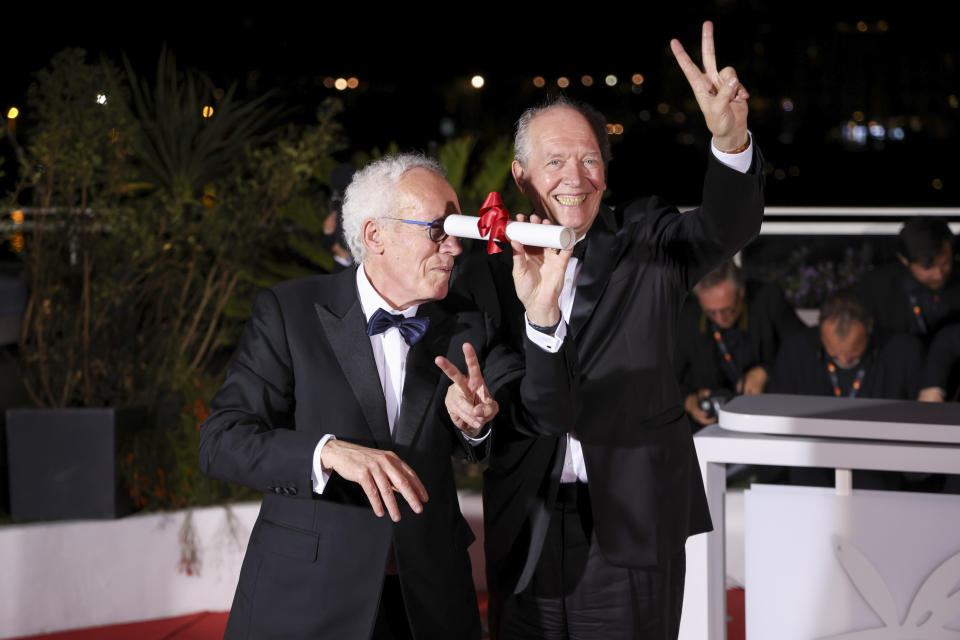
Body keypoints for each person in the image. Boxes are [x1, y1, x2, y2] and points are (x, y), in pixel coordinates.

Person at [452, 21, 764, 639]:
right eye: (556, 161)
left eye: (590, 158)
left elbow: (724, 227)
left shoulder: (647, 241)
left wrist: (730, 142)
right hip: (528, 525)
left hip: (634, 521)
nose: (576, 176)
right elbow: (492, 393)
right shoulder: (487, 272)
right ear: (521, 176)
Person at [198, 154, 571, 639]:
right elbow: (221, 441)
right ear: (375, 236)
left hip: (430, 598)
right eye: (437, 230)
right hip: (309, 594)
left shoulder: (467, 320)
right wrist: (327, 452)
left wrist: (476, 424)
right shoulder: (290, 311)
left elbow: (534, 413)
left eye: (456, 229)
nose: (454, 247)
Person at [675, 260, 805, 429]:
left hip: (770, 417)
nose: (720, 318)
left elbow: (804, 350)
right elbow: (667, 377)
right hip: (713, 427)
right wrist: (688, 401)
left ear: (741, 292)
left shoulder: (768, 299)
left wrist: (767, 371)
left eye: (727, 310)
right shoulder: (688, 316)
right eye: (711, 313)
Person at [769, 292, 923, 400]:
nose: (844, 360)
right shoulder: (796, 351)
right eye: (834, 353)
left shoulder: (903, 352)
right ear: (820, 331)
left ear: (869, 326)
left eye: (854, 351)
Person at [854, 216, 960, 344]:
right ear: (904, 259)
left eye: (945, 263)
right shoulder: (876, 290)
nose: (939, 275)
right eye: (928, 267)